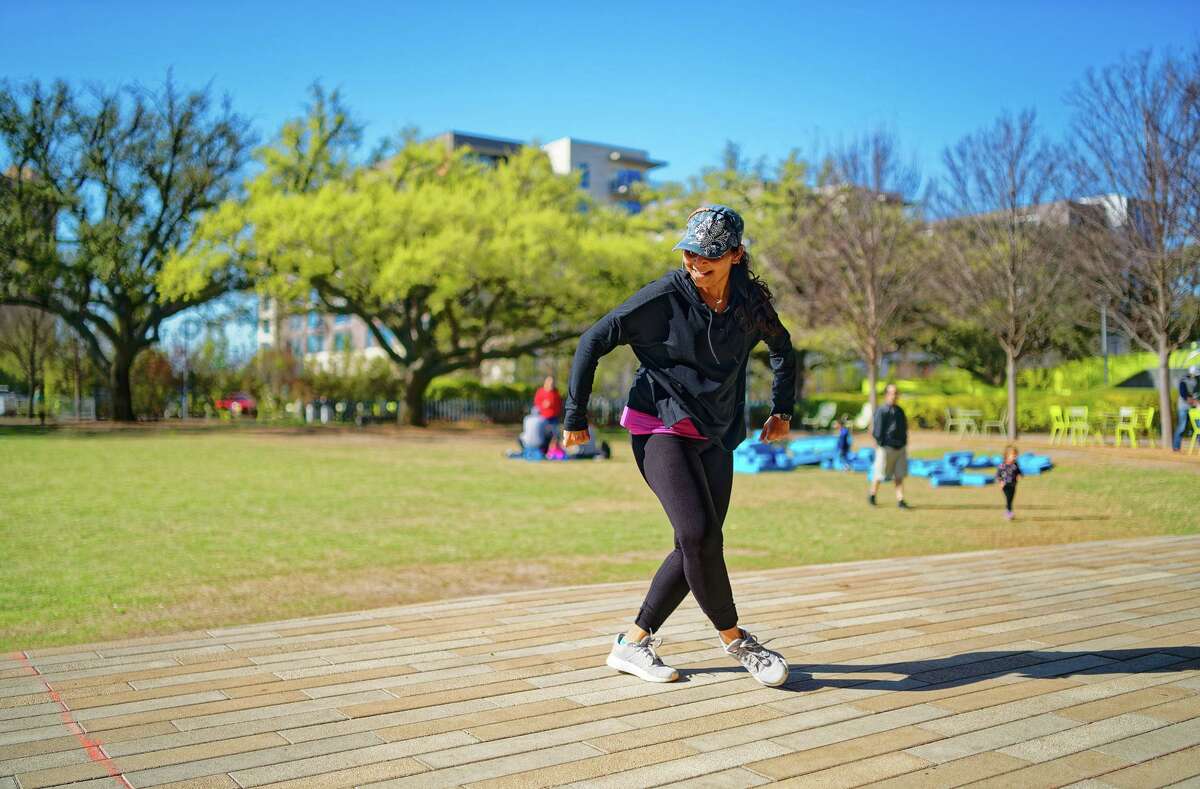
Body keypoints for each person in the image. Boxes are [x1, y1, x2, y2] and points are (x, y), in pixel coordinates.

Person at [563, 204, 796, 688]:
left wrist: (782, 410)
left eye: (708, 254)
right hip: (659, 426)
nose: (696, 262)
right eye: (689, 252)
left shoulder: (750, 302)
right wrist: (575, 416)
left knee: (695, 544)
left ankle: (631, 643)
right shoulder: (664, 297)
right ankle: (739, 641)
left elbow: (782, 347)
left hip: (716, 433)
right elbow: (593, 340)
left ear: (735, 254)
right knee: (700, 537)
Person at [869, 383, 909, 509]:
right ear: (886, 395)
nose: (894, 396)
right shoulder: (882, 411)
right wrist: (882, 443)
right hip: (886, 448)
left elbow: (904, 429)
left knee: (899, 475)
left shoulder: (900, 411)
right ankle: (872, 495)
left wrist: (903, 442)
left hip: (900, 448)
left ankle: (900, 499)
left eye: (896, 393)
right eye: (892, 393)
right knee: (879, 473)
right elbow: (877, 431)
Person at [1173, 365, 1199, 452]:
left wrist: (1196, 402)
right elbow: (1184, 395)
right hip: (1183, 407)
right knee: (1182, 427)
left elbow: (1196, 393)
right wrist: (1195, 402)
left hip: (1193, 408)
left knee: (1198, 427)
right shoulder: (1183, 381)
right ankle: (1176, 447)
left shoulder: (1196, 380)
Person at [996, 445, 1022, 519]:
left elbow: (1018, 471)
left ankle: (1008, 511)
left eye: (1015, 456)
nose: (1015, 457)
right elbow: (998, 475)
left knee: (1011, 498)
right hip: (1005, 485)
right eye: (1013, 456)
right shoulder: (1002, 465)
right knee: (1008, 498)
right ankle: (1008, 512)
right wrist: (1001, 482)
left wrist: (1019, 475)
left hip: (1013, 484)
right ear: (1007, 455)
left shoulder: (1015, 464)